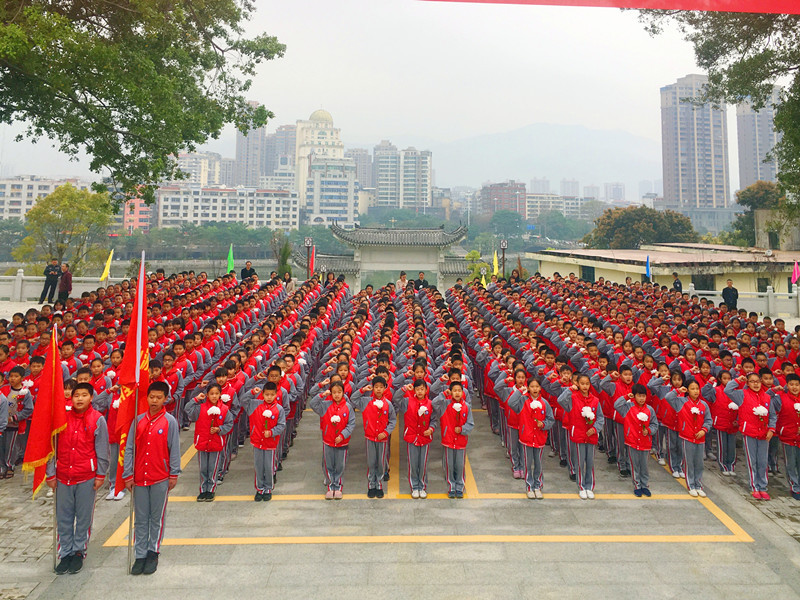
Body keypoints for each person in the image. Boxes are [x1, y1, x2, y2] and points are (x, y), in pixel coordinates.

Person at [46, 382, 109, 574]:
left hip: (86, 477)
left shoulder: (97, 419)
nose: (79, 399)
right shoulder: (61, 419)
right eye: (76, 395)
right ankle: (65, 553)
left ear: (91, 398)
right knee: (63, 517)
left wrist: (100, 474)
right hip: (63, 475)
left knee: (83, 518)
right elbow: (51, 448)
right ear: (70, 398)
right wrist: (50, 473)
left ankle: (78, 552)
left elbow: (103, 450)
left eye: (84, 395)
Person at [123, 381, 181, 575]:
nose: (154, 401)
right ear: (146, 398)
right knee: (140, 518)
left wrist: (173, 473)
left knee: (156, 517)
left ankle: (153, 552)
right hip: (139, 478)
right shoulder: (138, 420)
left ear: (165, 399)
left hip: (160, 477)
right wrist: (128, 473)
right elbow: (130, 448)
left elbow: (174, 449)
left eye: (158, 397)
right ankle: (139, 554)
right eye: (151, 397)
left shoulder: (169, 422)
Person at [184, 383, 234, 502]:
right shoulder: (201, 408)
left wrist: (219, 429)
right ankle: (202, 489)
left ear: (220, 395)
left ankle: (211, 489)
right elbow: (187, 409)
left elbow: (229, 424)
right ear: (207, 395)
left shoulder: (224, 409)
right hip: (202, 441)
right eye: (211, 394)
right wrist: (196, 399)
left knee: (213, 467)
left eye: (217, 394)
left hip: (216, 442)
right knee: (203, 468)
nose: (214, 396)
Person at [557, 374, 604, 500]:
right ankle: (581, 486)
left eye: (587, 383)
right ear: (577, 384)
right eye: (582, 383)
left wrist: (595, 429)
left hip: (591, 436)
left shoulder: (595, 400)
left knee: (590, 462)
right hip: (578, 434)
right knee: (579, 461)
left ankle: (590, 486)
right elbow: (560, 400)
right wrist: (570, 389)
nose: (585, 386)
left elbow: (600, 417)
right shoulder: (572, 398)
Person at [507, 378, 554, 499]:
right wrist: (519, 391)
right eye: (532, 387)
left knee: (538, 463)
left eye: (537, 387)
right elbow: (511, 403)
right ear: (528, 388)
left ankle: (538, 486)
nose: (535, 389)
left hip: (539, 438)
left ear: (540, 388)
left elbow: (550, 419)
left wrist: (543, 425)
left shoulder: (544, 403)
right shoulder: (523, 400)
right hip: (526, 437)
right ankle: (529, 486)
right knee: (527, 464)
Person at [351, 375, 396, 499]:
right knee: (371, 462)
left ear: (385, 388)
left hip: (382, 438)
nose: (378, 390)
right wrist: (362, 390)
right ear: (373, 388)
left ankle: (379, 484)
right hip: (370, 437)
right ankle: (371, 484)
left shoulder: (388, 404)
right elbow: (353, 399)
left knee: (381, 462)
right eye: (376, 387)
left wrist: (386, 432)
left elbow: (393, 420)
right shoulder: (366, 402)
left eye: (381, 387)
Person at [309, 381, 355, 500]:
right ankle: (331, 486)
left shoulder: (348, 407)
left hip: (342, 442)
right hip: (328, 440)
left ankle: (338, 486)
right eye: (334, 392)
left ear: (343, 393)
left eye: (339, 392)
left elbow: (351, 424)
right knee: (329, 464)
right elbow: (313, 404)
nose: (336, 395)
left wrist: (343, 435)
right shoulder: (325, 405)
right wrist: (323, 394)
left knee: (340, 465)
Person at [614, 383, 658, 497]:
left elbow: (655, 424)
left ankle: (645, 485)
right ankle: (637, 485)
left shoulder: (650, 410)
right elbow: (616, 405)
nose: (642, 398)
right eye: (639, 396)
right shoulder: (628, 408)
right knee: (635, 465)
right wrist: (626, 397)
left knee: (644, 466)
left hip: (645, 443)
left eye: (644, 396)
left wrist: (648, 430)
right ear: (634, 396)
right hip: (632, 441)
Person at [433, 381, 474, 499]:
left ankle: (460, 486)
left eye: (459, 391)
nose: (457, 393)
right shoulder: (445, 404)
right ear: (450, 392)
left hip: (461, 441)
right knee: (449, 464)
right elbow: (434, 404)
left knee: (460, 465)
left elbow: (470, 424)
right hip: (448, 440)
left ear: (463, 392)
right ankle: (451, 486)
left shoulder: (466, 406)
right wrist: (443, 394)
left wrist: (462, 429)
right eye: (454, 390)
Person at [247, 381, 285, 502]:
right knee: (258, 466)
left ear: (276, 395)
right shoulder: (255, 405)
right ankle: (259, 488)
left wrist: (272, 432)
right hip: (257, 441)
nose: (269, 397)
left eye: (272, 395)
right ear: (262, 394)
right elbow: (243, 400)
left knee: (268, 466)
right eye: (267, 394)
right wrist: (252, 392)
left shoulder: (279, 409)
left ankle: (268, 488)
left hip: (271, 443)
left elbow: (282, 425)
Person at [398, 379, 436, 499]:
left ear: (426, 390)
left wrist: (431, 429)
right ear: (414, 390)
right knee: (413, 464)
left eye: (422, 389)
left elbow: (434, 420)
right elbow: (395, 399)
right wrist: (403, 389)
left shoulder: (430, 403)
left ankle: (423, 486)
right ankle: (414, 486)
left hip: (424, 438)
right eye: (417, 389)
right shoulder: (408, 401)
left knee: (423, 463)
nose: (420, 391)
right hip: (412, 437)